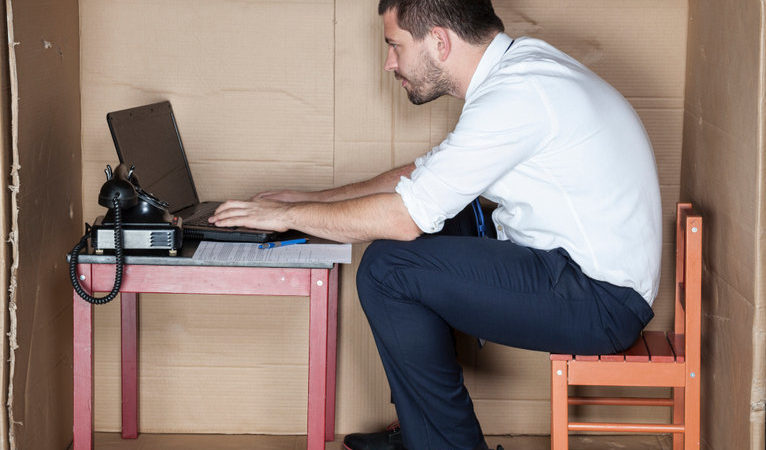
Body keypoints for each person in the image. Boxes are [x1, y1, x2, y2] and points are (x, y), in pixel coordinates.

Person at [209, 0, 662, 448]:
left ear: (439, 41)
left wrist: (283, 217)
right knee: (442, 219)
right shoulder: (520, 72)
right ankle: (422, 430)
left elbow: (404, 216)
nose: (389, 63)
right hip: (575, 276)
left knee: (389, 268)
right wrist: (308, 199)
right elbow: (422, 178)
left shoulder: (515, 95)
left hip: (600, 302)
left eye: (395, 46)